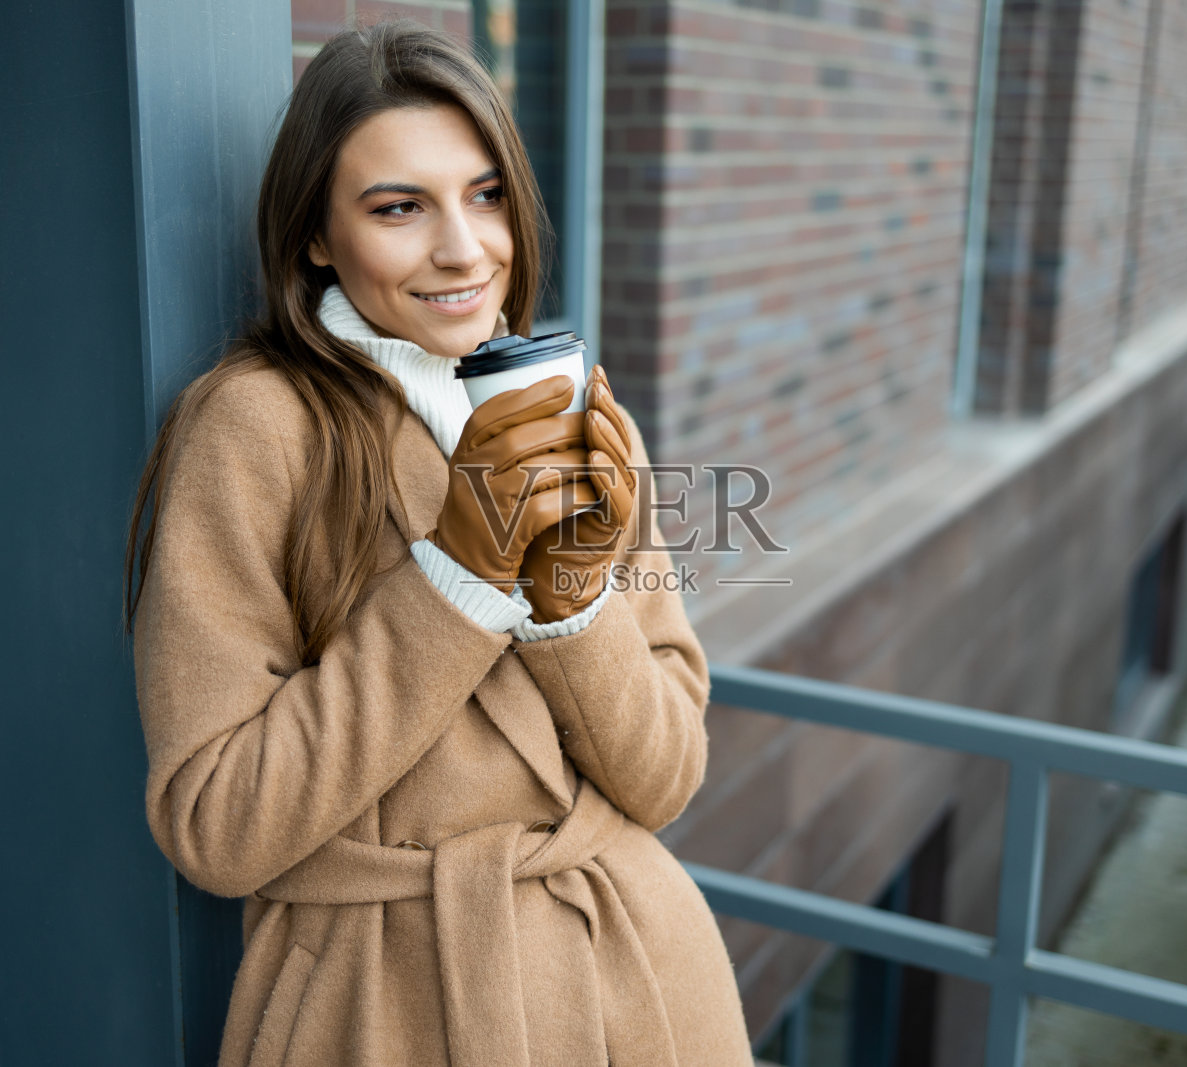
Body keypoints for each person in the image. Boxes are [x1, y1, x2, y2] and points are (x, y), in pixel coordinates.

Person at [123, 20, 752, 1067]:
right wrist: (454, 580)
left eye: (487, 192)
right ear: (317, 235)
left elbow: (666, 778)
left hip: (637, 986)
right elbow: (217, 826)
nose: (464, 247)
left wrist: (570, 603)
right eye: (398, 208)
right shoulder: (253, 426)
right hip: (382, 1003)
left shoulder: (584, 415)